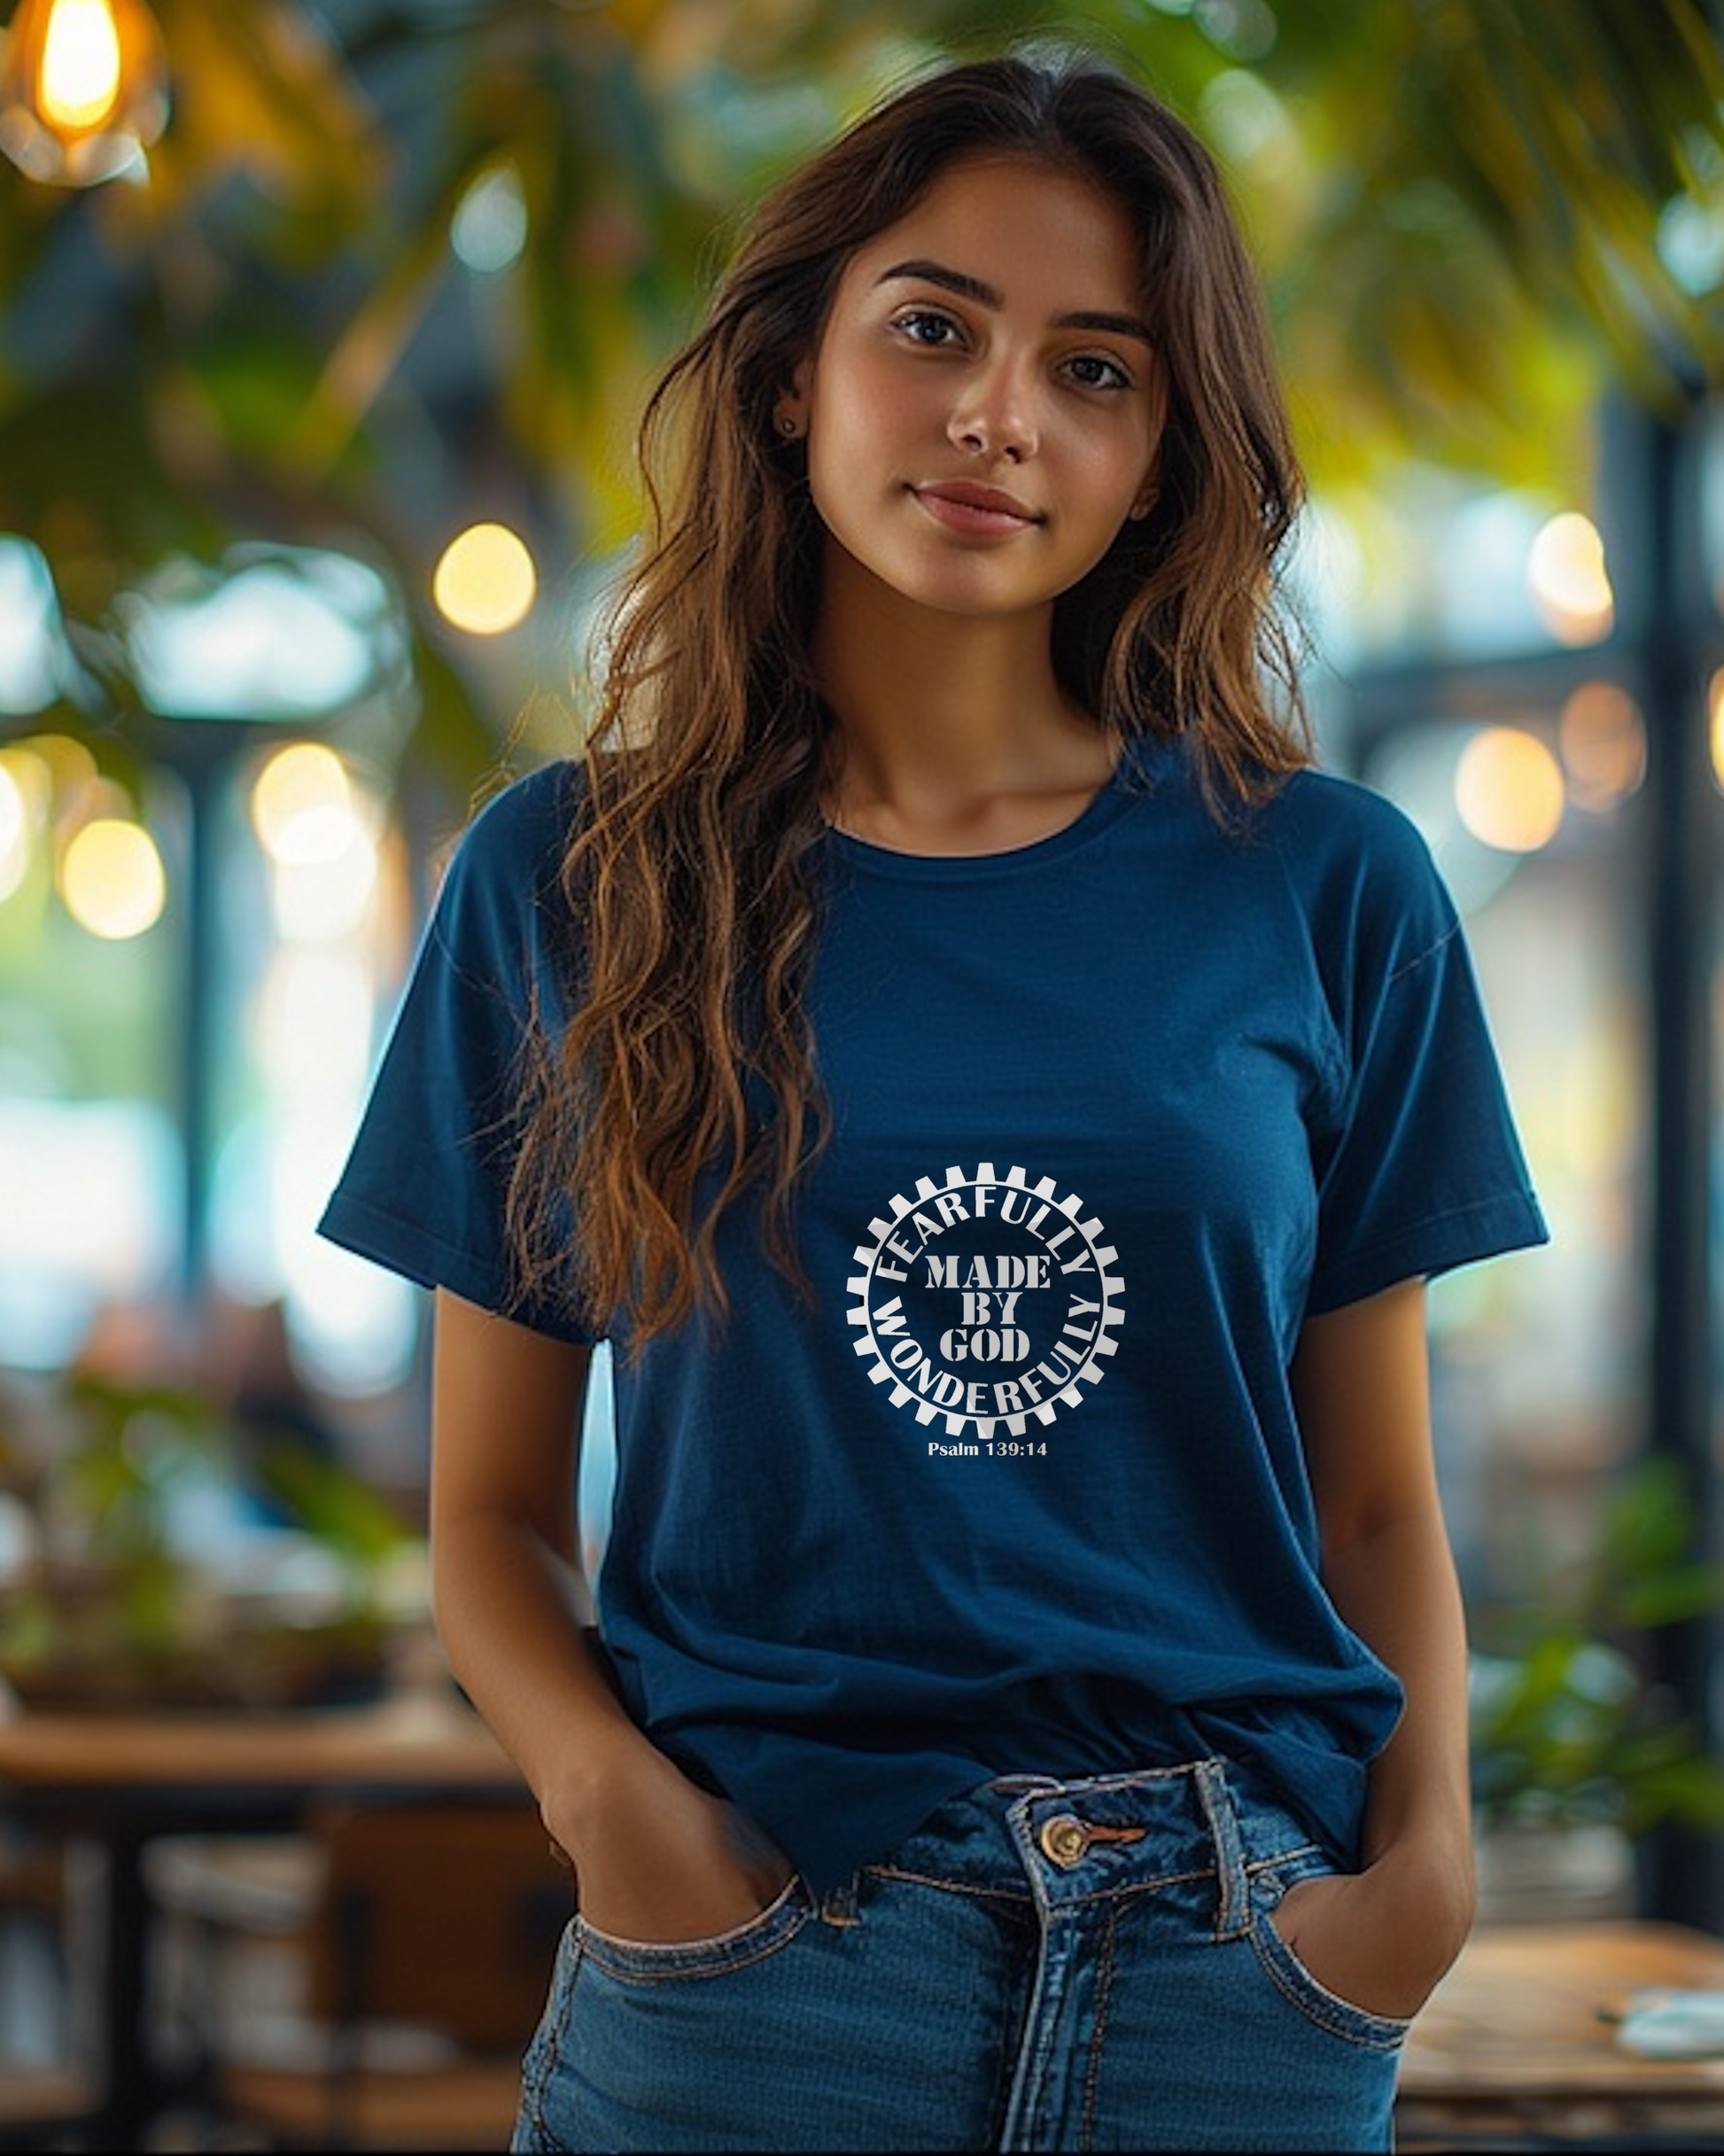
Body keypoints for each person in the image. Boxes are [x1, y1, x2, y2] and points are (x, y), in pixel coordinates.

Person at [319, 45, 1548, 2153]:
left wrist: (1416, 1884)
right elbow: (493, 1518)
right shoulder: (569, 877)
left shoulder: (1326, 883)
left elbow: (1372, 1505)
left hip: (1236, 1973)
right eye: (933, 329)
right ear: (794, 371)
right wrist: (622, 1814)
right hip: (760, 1970)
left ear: (1161, 458)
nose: (998, 414)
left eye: (1096, 371)